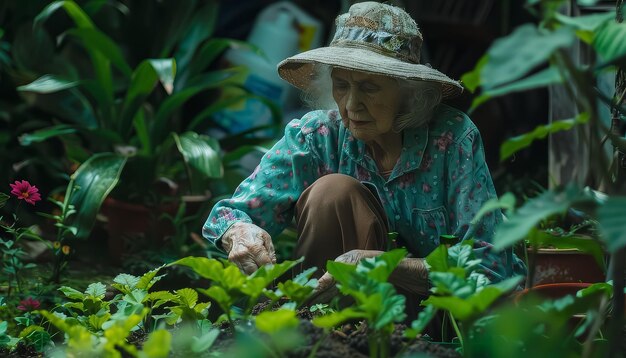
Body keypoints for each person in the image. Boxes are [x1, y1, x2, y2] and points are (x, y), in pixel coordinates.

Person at [203, 1, 524, 306]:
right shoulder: (318, 135)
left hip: (436, 314)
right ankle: (315, 334)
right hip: (331, 311)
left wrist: (382, 265)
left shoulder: (451, 139)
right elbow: (227, 216)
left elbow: (490, 266)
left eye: (369, 88)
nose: (351, 104)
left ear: (407, 92)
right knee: (332, 192)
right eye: (341, 85)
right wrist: (240, 233)